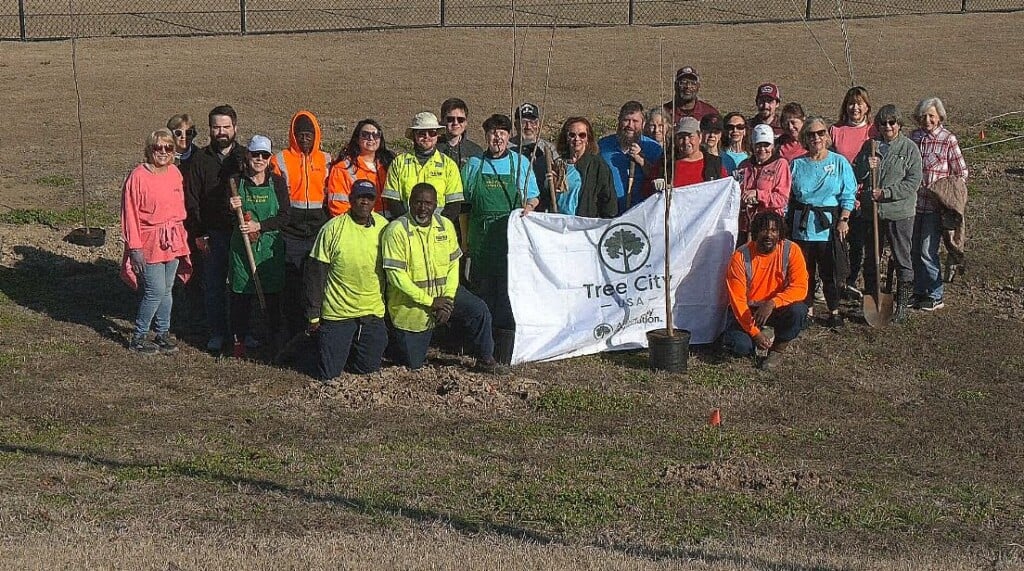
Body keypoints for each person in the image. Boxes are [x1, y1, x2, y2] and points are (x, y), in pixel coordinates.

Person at [382, 183, 506, 374]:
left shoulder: (445, 225)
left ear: (436, 204)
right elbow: (396, 277)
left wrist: (447, 299)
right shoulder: (396, 230)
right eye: (418, 202)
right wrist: (431, 302)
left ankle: (485, 359)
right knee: (413, 364)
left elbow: (453, 264)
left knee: (479, 310)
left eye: (428, 203)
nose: (423, 208)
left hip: (445, 295)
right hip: (412, 305)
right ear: (409, 203)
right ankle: (395, 341)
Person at [461, 113, 540, 330]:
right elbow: (464, 205)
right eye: (493, 133)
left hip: (510, 242)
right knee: (482, 292)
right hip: (481, 243)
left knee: (508, 293)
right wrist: (466, 241)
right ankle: (481, 336)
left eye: (502, 133)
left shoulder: (520, 163)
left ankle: (506, 336)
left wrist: (529, 207)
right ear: (486, 136)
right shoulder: (474, 164)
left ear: (509, 136)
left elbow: (533, 196)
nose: (497, 138)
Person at [306, 179, 389, 379]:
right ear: (351, 199)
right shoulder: (332, 229)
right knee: (329, 374)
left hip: (371, 312)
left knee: (368, 369)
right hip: (338, 313)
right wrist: (314, 314)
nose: (364, 202)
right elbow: (316, 274)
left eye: (369, 198)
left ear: (375, 201)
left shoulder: (385, 228)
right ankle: (312, 345)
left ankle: (349, 348)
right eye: (360, 197)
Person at [121, 129, 191, 354]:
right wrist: (135, 248)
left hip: (173, 240)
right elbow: (129, 214)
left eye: (168, 147)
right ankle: (139, 337)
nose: (163, 152)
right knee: (155, 290)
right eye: (157, 147)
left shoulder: (175, 173)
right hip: (149, 241)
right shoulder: (137, 177)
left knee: (167, 288)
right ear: (149, 150)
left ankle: (162, 332)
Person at [852, 105, 923, 323]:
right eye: (883, 123)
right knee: (871, 257)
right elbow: (856, 174)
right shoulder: (870, 146)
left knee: (901, 257)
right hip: (872, 212)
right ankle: (873, 297)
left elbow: (913, 181)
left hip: (899, 212)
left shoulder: (909, 149)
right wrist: (866, 165)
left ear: (899, 124)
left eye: (892, 122)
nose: (888, 127)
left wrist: (886, 193)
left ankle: (901, 305)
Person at [186, 104, 247, 352]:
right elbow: (192, 199)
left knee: (241, 285)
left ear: (235, 128)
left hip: (240, 232)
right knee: (214, 286)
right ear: (210, 129)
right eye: (216, 127)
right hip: (213, 233)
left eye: (226, 127)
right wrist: (199, 233)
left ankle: (242, 332)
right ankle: (217, 332)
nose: (221, 132)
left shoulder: (245, 157)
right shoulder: (200, 159)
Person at [271, 110, 332, 347]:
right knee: (292, 283)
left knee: (317, 281)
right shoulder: (280, 159)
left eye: (309, 134)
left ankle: (317, 327)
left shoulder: (326, 160)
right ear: (293, 136)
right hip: (290, 231)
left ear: (316, 135)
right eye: (300, 135)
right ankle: (292, 330)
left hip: (318, 230)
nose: (305, 139)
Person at [788, 116, 857, 327]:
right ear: (804, 138)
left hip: (829, 225)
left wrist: (844, 219)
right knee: (804, 272)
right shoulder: (796, 164)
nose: (816, 138)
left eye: (820, 133)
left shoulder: (839, 162)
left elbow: (849, 193)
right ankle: (807, 310)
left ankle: (833, 310)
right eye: (811, 134)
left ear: (827, 136)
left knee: (830, 271)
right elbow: (789, 196)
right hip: (802, 225)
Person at [226, 135, 289, 359]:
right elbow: (225, 218)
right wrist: (230, 208)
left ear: (270, 158)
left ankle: (273, 339)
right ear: (248, 155)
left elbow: (285, 216)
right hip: (242, 248)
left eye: (264, 155)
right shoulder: (235, 183)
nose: (259, 159)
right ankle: (239, 341)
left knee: (272, 296)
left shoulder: (277, 183)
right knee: (240, 296)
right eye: (255, 154)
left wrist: (260, 225)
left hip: (269, 247)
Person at [721, 212, 808, 369]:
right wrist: (756, 334)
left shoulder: (791, 250)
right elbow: (738, 302)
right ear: (756, 232)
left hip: (776, 308)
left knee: (798, 310)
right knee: (739, 347)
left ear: (780, 233)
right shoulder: (740, 256)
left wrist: (772, 303)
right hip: (748, 311)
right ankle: (759, 336)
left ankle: (777, 350)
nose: (769, 235)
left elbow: (800, 287)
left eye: (774, 230)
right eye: (764, 230)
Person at [909, 96, 968, 311]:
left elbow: (961, 173)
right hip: (913, 205)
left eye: (931, 116)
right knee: (914, 250)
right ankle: (919, 290)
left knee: (927, 251)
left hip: (935, 208)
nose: (927, 120)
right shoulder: (914, 137)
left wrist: (945, 192)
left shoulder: (948, 139)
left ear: (939, 117)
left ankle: (935, 294)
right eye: (923, 116)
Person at [830, 86, 878, 300]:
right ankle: (837, 280)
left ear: (867, 107)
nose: (855, 108)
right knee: (839, 242)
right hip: (839, 196)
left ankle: (852, 281)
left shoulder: (873, 132)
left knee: (858, 244)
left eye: (859, 103)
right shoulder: (835, 131)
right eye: (851, 103)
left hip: (863, 197)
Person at [383, 112, 464, 221]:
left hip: (438, 227)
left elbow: (454, 205)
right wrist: (409, 223)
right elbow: (393, 201)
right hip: (406, 226)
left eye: (432, 133)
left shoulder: (449, 165)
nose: (427, 136)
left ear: (437, 135)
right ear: (414, 135)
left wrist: (436, 225)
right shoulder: (398, 163)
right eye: (422, 133)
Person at [598, 101, 663, 212]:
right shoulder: (603, 146)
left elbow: (658, 178)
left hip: (642, 212)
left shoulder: (654, 148)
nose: (630, 125)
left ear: (643, 124)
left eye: (635, 121)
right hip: (609, 212)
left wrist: (641, 160)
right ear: (619, 121)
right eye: (626, 120)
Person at [548, 116, 617, 218]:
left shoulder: (597, 165)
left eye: (582, 135)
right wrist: (549, 184)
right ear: (566, 138)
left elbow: (608, 201)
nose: (577, 139)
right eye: (572, 135)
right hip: (559, 222)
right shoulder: (559, 164)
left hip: (585, 223)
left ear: (588, 138)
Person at [736, 124, 791, 246]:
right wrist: (743, 200)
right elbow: (735, 192)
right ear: (752, 146)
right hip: (745, 225)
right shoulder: (744, 166)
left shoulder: (780, 164)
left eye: (766, 145)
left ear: (772, 146)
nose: (762, 149)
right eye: (758, 145)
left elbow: (782, 199)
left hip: (769, 227)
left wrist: (758, 195)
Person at [326, 118, 394, 216]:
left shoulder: (389, 165)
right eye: (365, 135)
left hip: (388, 222)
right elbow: (338, 206)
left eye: (375, 135)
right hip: (357, 223)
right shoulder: (342, 168)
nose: (371, 138)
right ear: (357, 139)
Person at [647, 117, 726, 193]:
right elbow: (647, 190)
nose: (686, 142)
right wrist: (655, 186)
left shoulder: (714, 164)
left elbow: (725, 191)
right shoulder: (666, 163)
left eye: (691, 136)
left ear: (700, 137)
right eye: (681, 137)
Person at [511, 102, 559, 212]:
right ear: (516, 125)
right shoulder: (507, 148)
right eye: (524, 122)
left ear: (538, 124)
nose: (528, 127)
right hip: (516, 206)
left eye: (532, 122)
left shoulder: (549, 149)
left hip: (544, 208)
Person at [437, 98, 483, 168]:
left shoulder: (475, 152)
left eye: (460, 119)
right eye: (450, 119)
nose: (455, 123)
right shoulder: (434, 148)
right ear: (443, 120)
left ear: (466, 122)